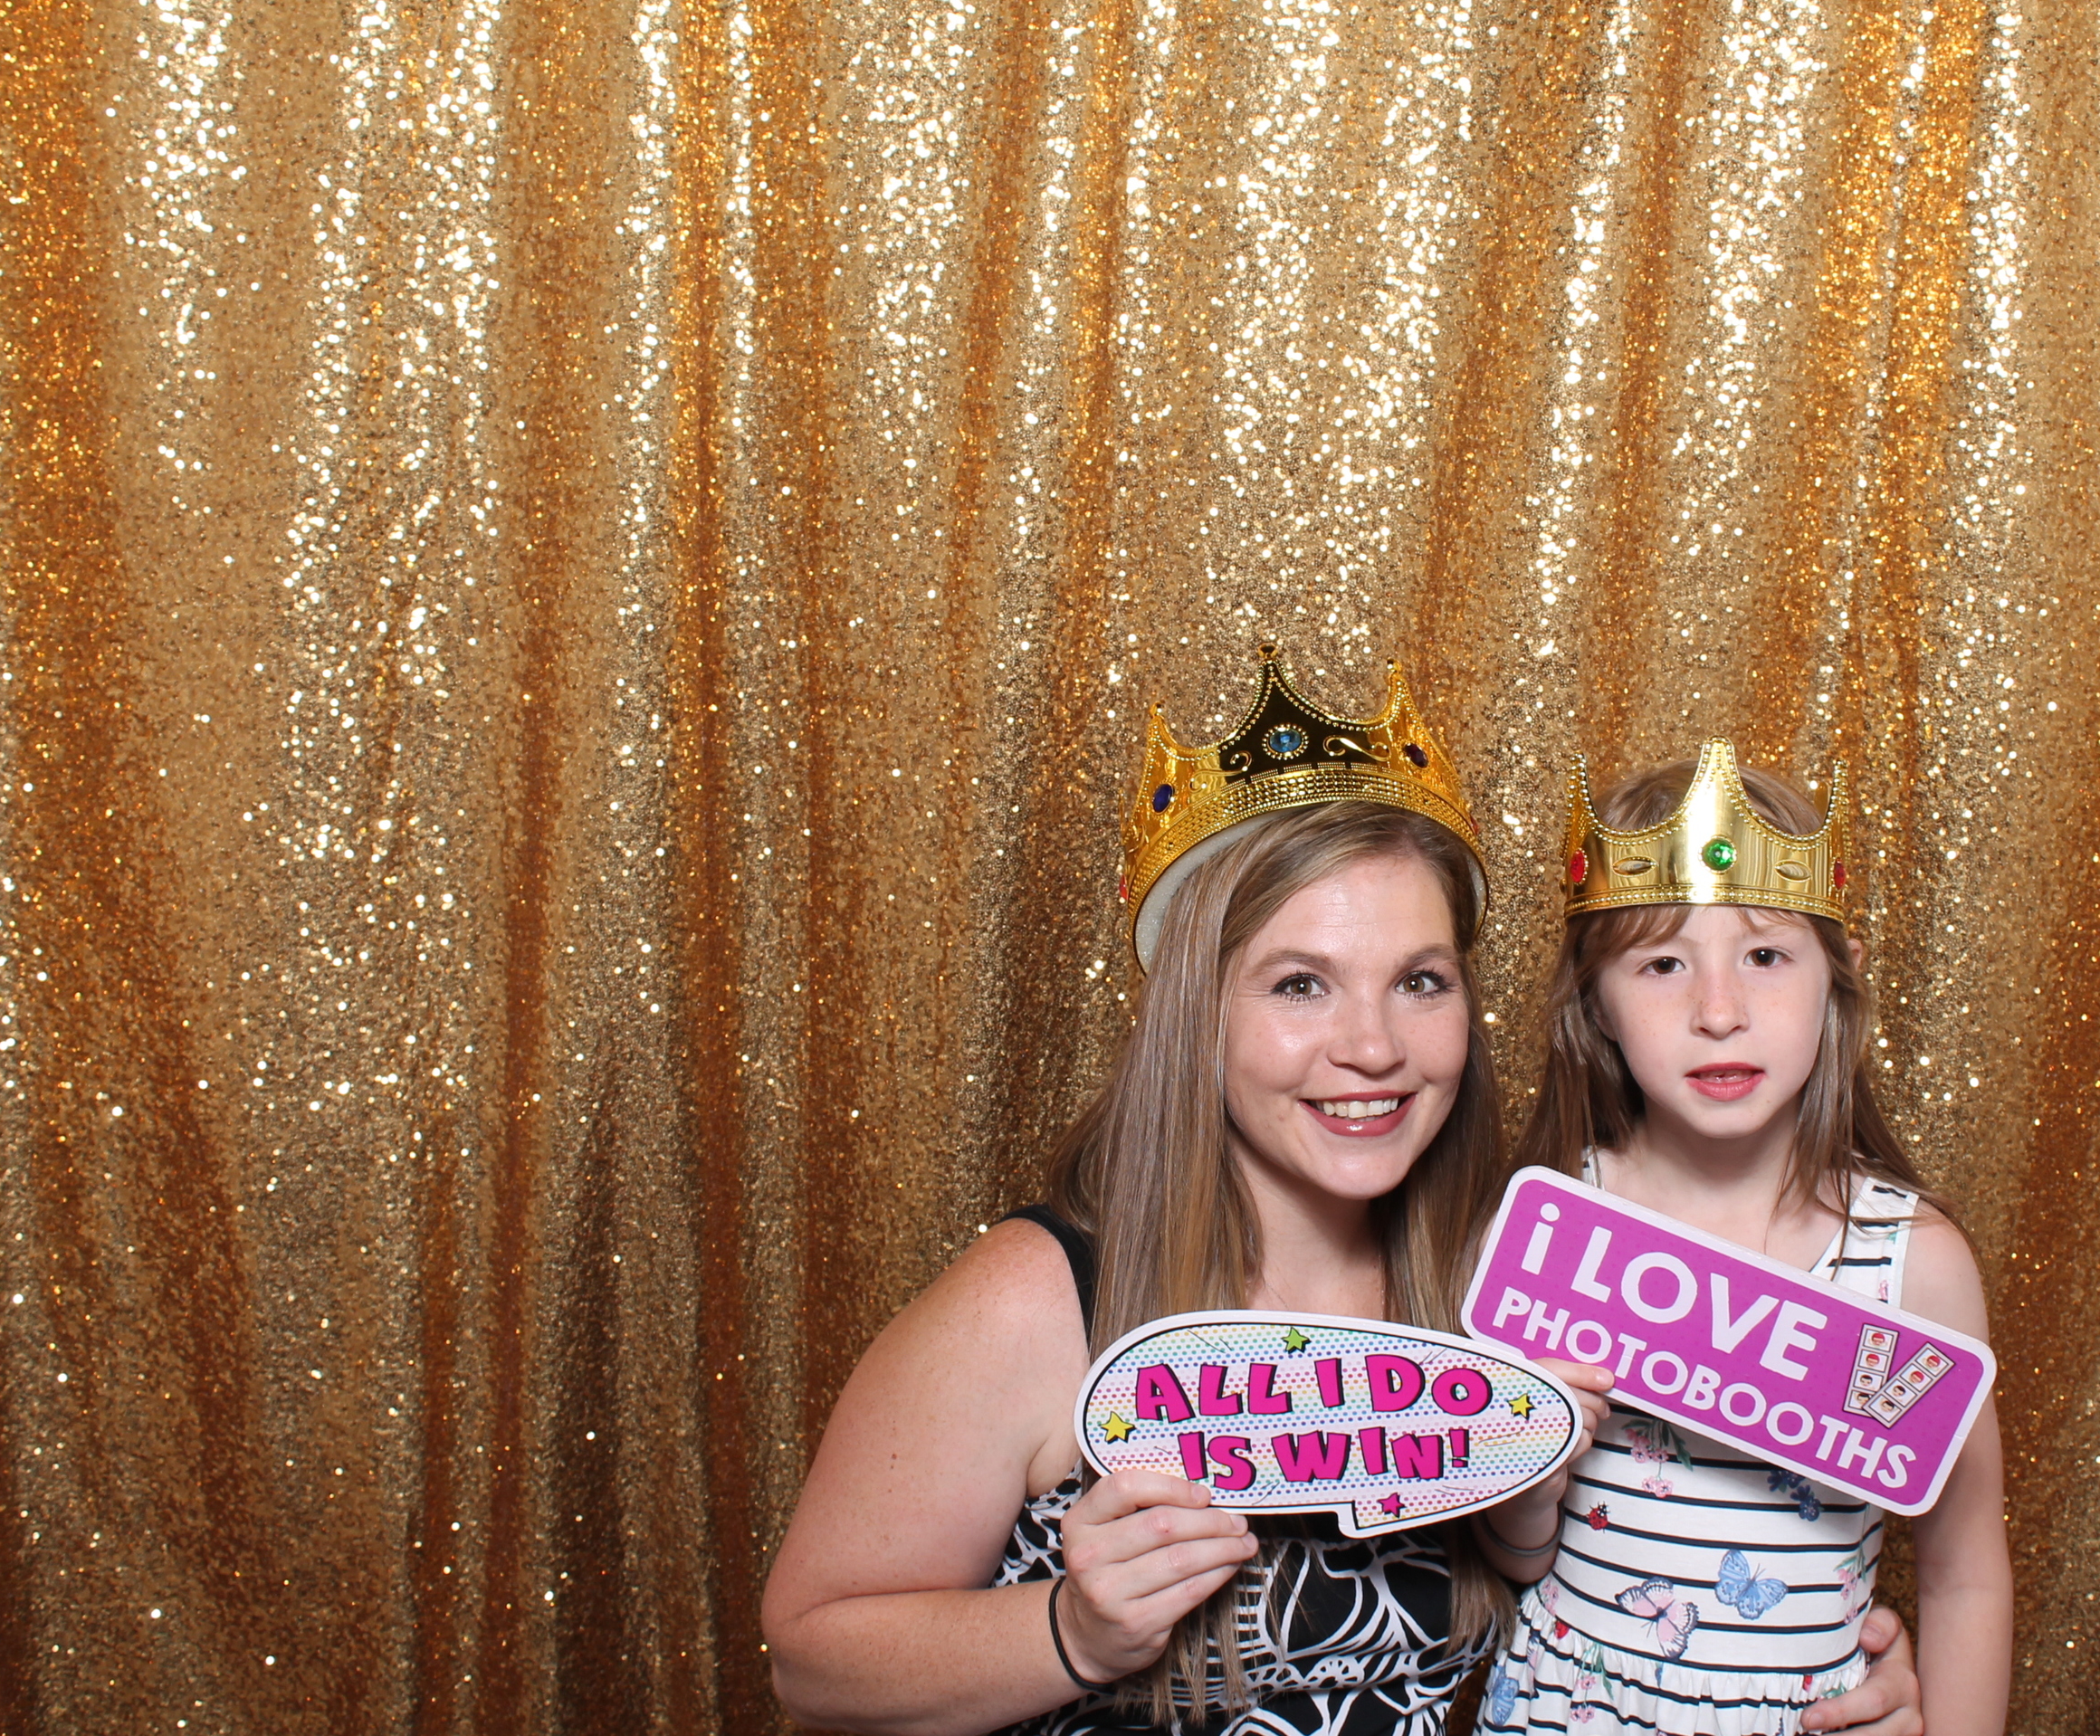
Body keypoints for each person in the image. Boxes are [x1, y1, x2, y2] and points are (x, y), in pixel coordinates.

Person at [760, 654, 1924, 1736]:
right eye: (1300, 984)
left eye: (1419, 981)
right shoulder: (1043, 1297)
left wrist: (1828, 1674)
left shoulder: (1499, 1285)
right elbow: (811, 1659)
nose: (1372, 1047)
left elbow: (1637, 1579)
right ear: (1197, 1015)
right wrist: (1072, 1630)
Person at [1474, 741, 2011, 1736]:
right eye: (1662, 964)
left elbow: (1966, 1575)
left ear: (1837, 980)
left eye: (1765, 956)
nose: (1719, 1012)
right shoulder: (1547, 1234)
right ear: (1596, 1002)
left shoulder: (1915, 1263)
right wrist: (1530, 1462)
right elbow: (1516, 1557)